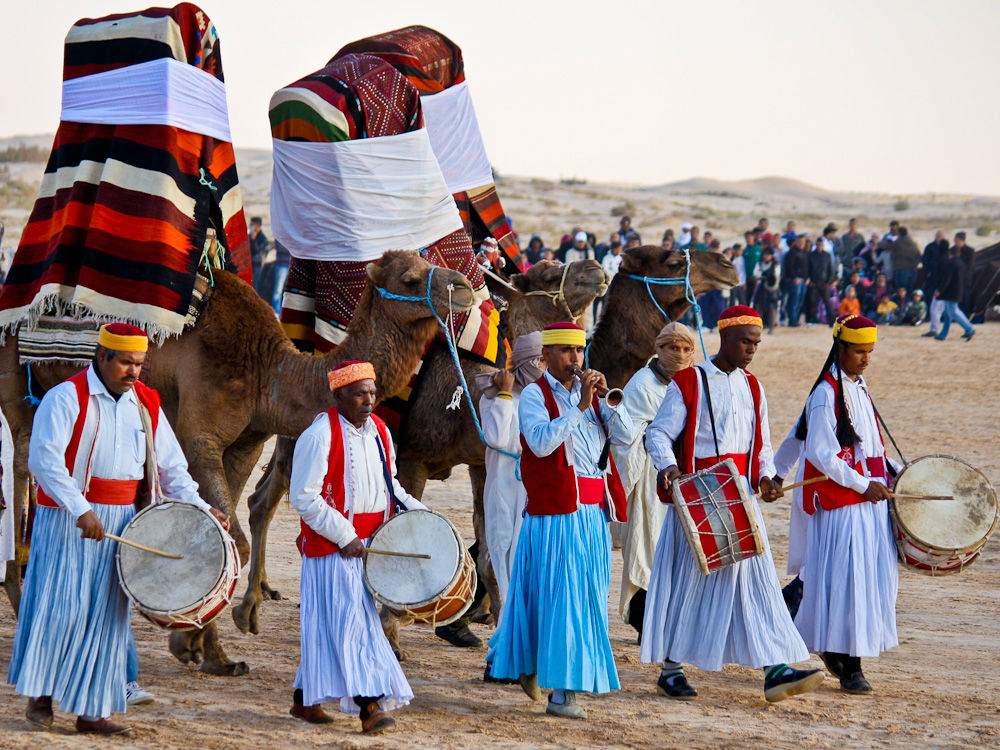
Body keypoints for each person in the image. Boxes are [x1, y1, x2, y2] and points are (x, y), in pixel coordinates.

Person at [8, 324, 227, 735]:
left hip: (125, 519)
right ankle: (39, 698)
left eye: (140, 364)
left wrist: (202, 507)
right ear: (102, 357)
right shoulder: (64, 398)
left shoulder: (145, 402)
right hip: (69, 520)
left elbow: (171, 467)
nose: (134, 372)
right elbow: (44, 461)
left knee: (108, 617)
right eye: (126, 362)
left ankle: (92, 712)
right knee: (60, 608)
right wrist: (80, 508)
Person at [640, 306, 822, 703]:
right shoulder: (689, 381)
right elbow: (658, 434)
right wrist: (668, 468)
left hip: (741, 499)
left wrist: (767, 479)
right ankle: (671, 671)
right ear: (724, 338)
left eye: (756, 344)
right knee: (687, 585)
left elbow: (763, 448)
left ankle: (776, 670)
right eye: (745, 342)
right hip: (699, 500)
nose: (751, 350)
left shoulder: (754, 387)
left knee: (758, 585)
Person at [488, 323, 633, 719]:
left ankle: (527, 661)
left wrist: (609, 404)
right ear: (544, 358)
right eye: (567, 352)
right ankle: (563, 694)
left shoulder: (594, 396)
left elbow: (627, 439)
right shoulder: (534, 395)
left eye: (580, 351)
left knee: (581, 600)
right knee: (565, 601)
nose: (576, 359)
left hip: (593, 516)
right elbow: (540, 442)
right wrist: (580, 408)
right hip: (556, 516)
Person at [288, 360, 427, 734]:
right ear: (339, 395)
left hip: (372, 545)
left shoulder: (380, 431)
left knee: (326, 626)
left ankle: (305, 700)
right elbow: (303, 496)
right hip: (333, 546)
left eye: (372, 392)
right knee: (354, 624)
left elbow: (391, 486)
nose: (369, 400)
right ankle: (371, 706)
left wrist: (423, 515)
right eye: (359, 394)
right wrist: (343, 534)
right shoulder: (318, 436)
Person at [793, 315, 898, 694]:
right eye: (859, 351)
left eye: (870, 352)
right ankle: (849, 664)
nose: (866, 359)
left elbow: (872, 448)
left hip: (869, 503)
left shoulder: (860, 385)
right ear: (841, 348)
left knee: (863, 582)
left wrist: (898, 472)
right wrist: (861, 484)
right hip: (843, 505)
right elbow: (822, 453)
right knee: (846, 585)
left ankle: (840, 653)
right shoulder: (824, 393)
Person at [612, 323, 696, 637]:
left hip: (682, 478)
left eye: (686, 349)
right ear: (659, 349)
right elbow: (625, 434)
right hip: (649, 476)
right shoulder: (642, 384)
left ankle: (666, 619)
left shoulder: (693, 382)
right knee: (646, 546)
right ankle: (643, 618)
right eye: (673, 348)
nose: (680, 354)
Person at [477, 333, 544, 609]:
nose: (545, 367)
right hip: (504, 488)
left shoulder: (542, 395)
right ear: (528, 361)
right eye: (541, 360)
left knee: (530, 559)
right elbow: (496, 438)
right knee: (506, 557)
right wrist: (505, 394)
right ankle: (508, 634)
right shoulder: (493, 395)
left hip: (534, 489)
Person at [934, 244, 975, 341]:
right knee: (949, 313)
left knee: (953, 311)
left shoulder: (950, 263)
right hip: (959, 291)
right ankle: (943, 335)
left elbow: (947, 279)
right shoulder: (962, 263)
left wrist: (940, 290)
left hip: (951, 292)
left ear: (950, 253)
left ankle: (969, 329)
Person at [920, 230, 949, 337]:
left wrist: (940, 288)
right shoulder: (930, 247)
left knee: (940, 308)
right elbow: (925, 260)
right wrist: (927, 272)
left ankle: (935, 329)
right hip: (933, 279)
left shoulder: (944, 259)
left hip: (940, 284)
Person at [750, 245, 781, 332]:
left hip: (772, 288)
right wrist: (762, 276)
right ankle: (758, 326)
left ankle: (771, 327)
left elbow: (776, 276)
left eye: (768, 255)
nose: (766, 256)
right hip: (761, 288)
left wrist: (766, 276)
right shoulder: (760, 263)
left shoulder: (776, 264)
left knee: (771, 308)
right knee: (758, 306)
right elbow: (756, 273)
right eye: (765, 254)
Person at [806, 239, 835, 326]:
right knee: (812, 302)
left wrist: (828, 281)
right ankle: (813, 319)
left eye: (821, 245)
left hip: (824, 282)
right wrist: (810, 281)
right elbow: (808, 269)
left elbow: (830, 269)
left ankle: (831, 321)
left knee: (827, 302)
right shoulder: (811, 255)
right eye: (818, 245)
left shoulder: (827, 255)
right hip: (814, 282)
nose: (819, 247)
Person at [782, 235, 809, 326]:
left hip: (803, 281)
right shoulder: (791, 253)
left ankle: (796, 319)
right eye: (800, 242)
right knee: (793, 301)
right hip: (795, 281)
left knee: (800, 302)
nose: (801, 244)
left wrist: (807, 278)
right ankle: (792, 320)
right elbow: (789, 267)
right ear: (796, 242)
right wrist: (794, 278)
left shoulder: (804, 253)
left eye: (803, 242)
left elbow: (806, 268)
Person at [890, 227, 921, 294]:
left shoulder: (899, 242)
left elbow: (889, 247)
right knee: (909, 290)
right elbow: (918, 255)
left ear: (899, 234)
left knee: (901, 290)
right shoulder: (913, 242)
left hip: (901, 269)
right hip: (913, 270)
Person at [248, 216, 270, 297]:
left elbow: (257, 250)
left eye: (253, 225)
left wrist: (253, 240)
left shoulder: (262, 238)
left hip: (256, 265)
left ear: (258, 225)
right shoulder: (250, 236)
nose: (251, 226)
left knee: (254, 286)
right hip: (248, 264)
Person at [270, 240, 291, 314]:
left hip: (292, 265)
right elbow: (279, 248)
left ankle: (286, 313)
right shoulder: (280, 234)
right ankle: (276, 312)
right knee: (278, 290)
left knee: (289, 292)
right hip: (282, 265)